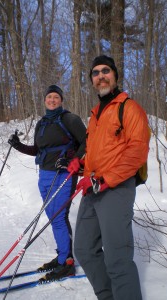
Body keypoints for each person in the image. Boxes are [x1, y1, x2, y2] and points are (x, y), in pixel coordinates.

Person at [74, 55, 150, 300]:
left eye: (105, 71)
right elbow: (99, 152)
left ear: (115, 75)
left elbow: (137, 151)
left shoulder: (129, 108)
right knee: (84, 250)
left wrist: (105, 179)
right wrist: (81, 164)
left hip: (116, 187)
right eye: (95, 73)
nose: (100, 76)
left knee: (117, 257)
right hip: (92, 188)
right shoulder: (95, 114)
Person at [8, 84, 86, 282]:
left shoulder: (69, 119)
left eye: (56, 97)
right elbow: (38, 150)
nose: (52, 100)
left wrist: (73, 160)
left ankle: (66, 263)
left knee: (59, 217)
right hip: (44, 175)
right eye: (49, 97)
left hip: (63, 174)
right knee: (53, 217)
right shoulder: (41, 123)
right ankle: (62, 255)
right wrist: (18, 146)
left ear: (61, 100)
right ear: (44, 100)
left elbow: (88, 141)